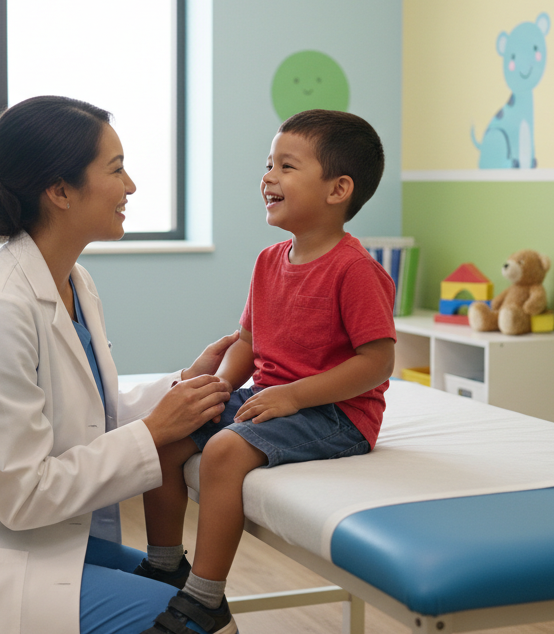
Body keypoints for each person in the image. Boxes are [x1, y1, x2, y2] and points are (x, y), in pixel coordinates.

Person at [0, 95, 238, 634]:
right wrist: (156, 429)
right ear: (60, 190)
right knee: (200, 624)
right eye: (116, 170)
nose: (131, 186)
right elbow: (22, 494)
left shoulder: (72, 280)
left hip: (37, 543)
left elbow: (86, 413)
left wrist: (181, 387)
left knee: (193, 601)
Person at [136, 109, 396, 634]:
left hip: (335, 414)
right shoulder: (267, 261)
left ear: (337, 189)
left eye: (286, 166)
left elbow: (377, 362)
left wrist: (295, 396)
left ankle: (206, 598)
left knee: (226, 450)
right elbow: (249, 344)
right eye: (268, 163)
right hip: (272, 395)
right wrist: (221, 385)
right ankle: (165, 567)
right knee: (161, 440)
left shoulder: (355, 270)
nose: (268, 177)